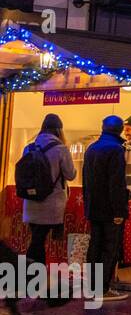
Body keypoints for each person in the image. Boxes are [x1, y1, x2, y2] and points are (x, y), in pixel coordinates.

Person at [20, 113, 76, 278]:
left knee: (37, 238)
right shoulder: (61, 149)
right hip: (51, 203)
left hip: (31, 201)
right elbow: (71, 174)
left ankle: (36, 276)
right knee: (38, 240)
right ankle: (29, 276)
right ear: (59, 130)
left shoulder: (28, 147)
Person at [82, 116, 130, 302]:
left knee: (95, 246)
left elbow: (87, 180)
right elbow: (116, 183)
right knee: (110, 248)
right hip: (110, 208)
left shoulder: (92, 148)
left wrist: (88, 205)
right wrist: (119, 210)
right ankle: (102, 288)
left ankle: (91, 286)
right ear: (119, 130)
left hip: (93, 207)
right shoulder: (116, 150)